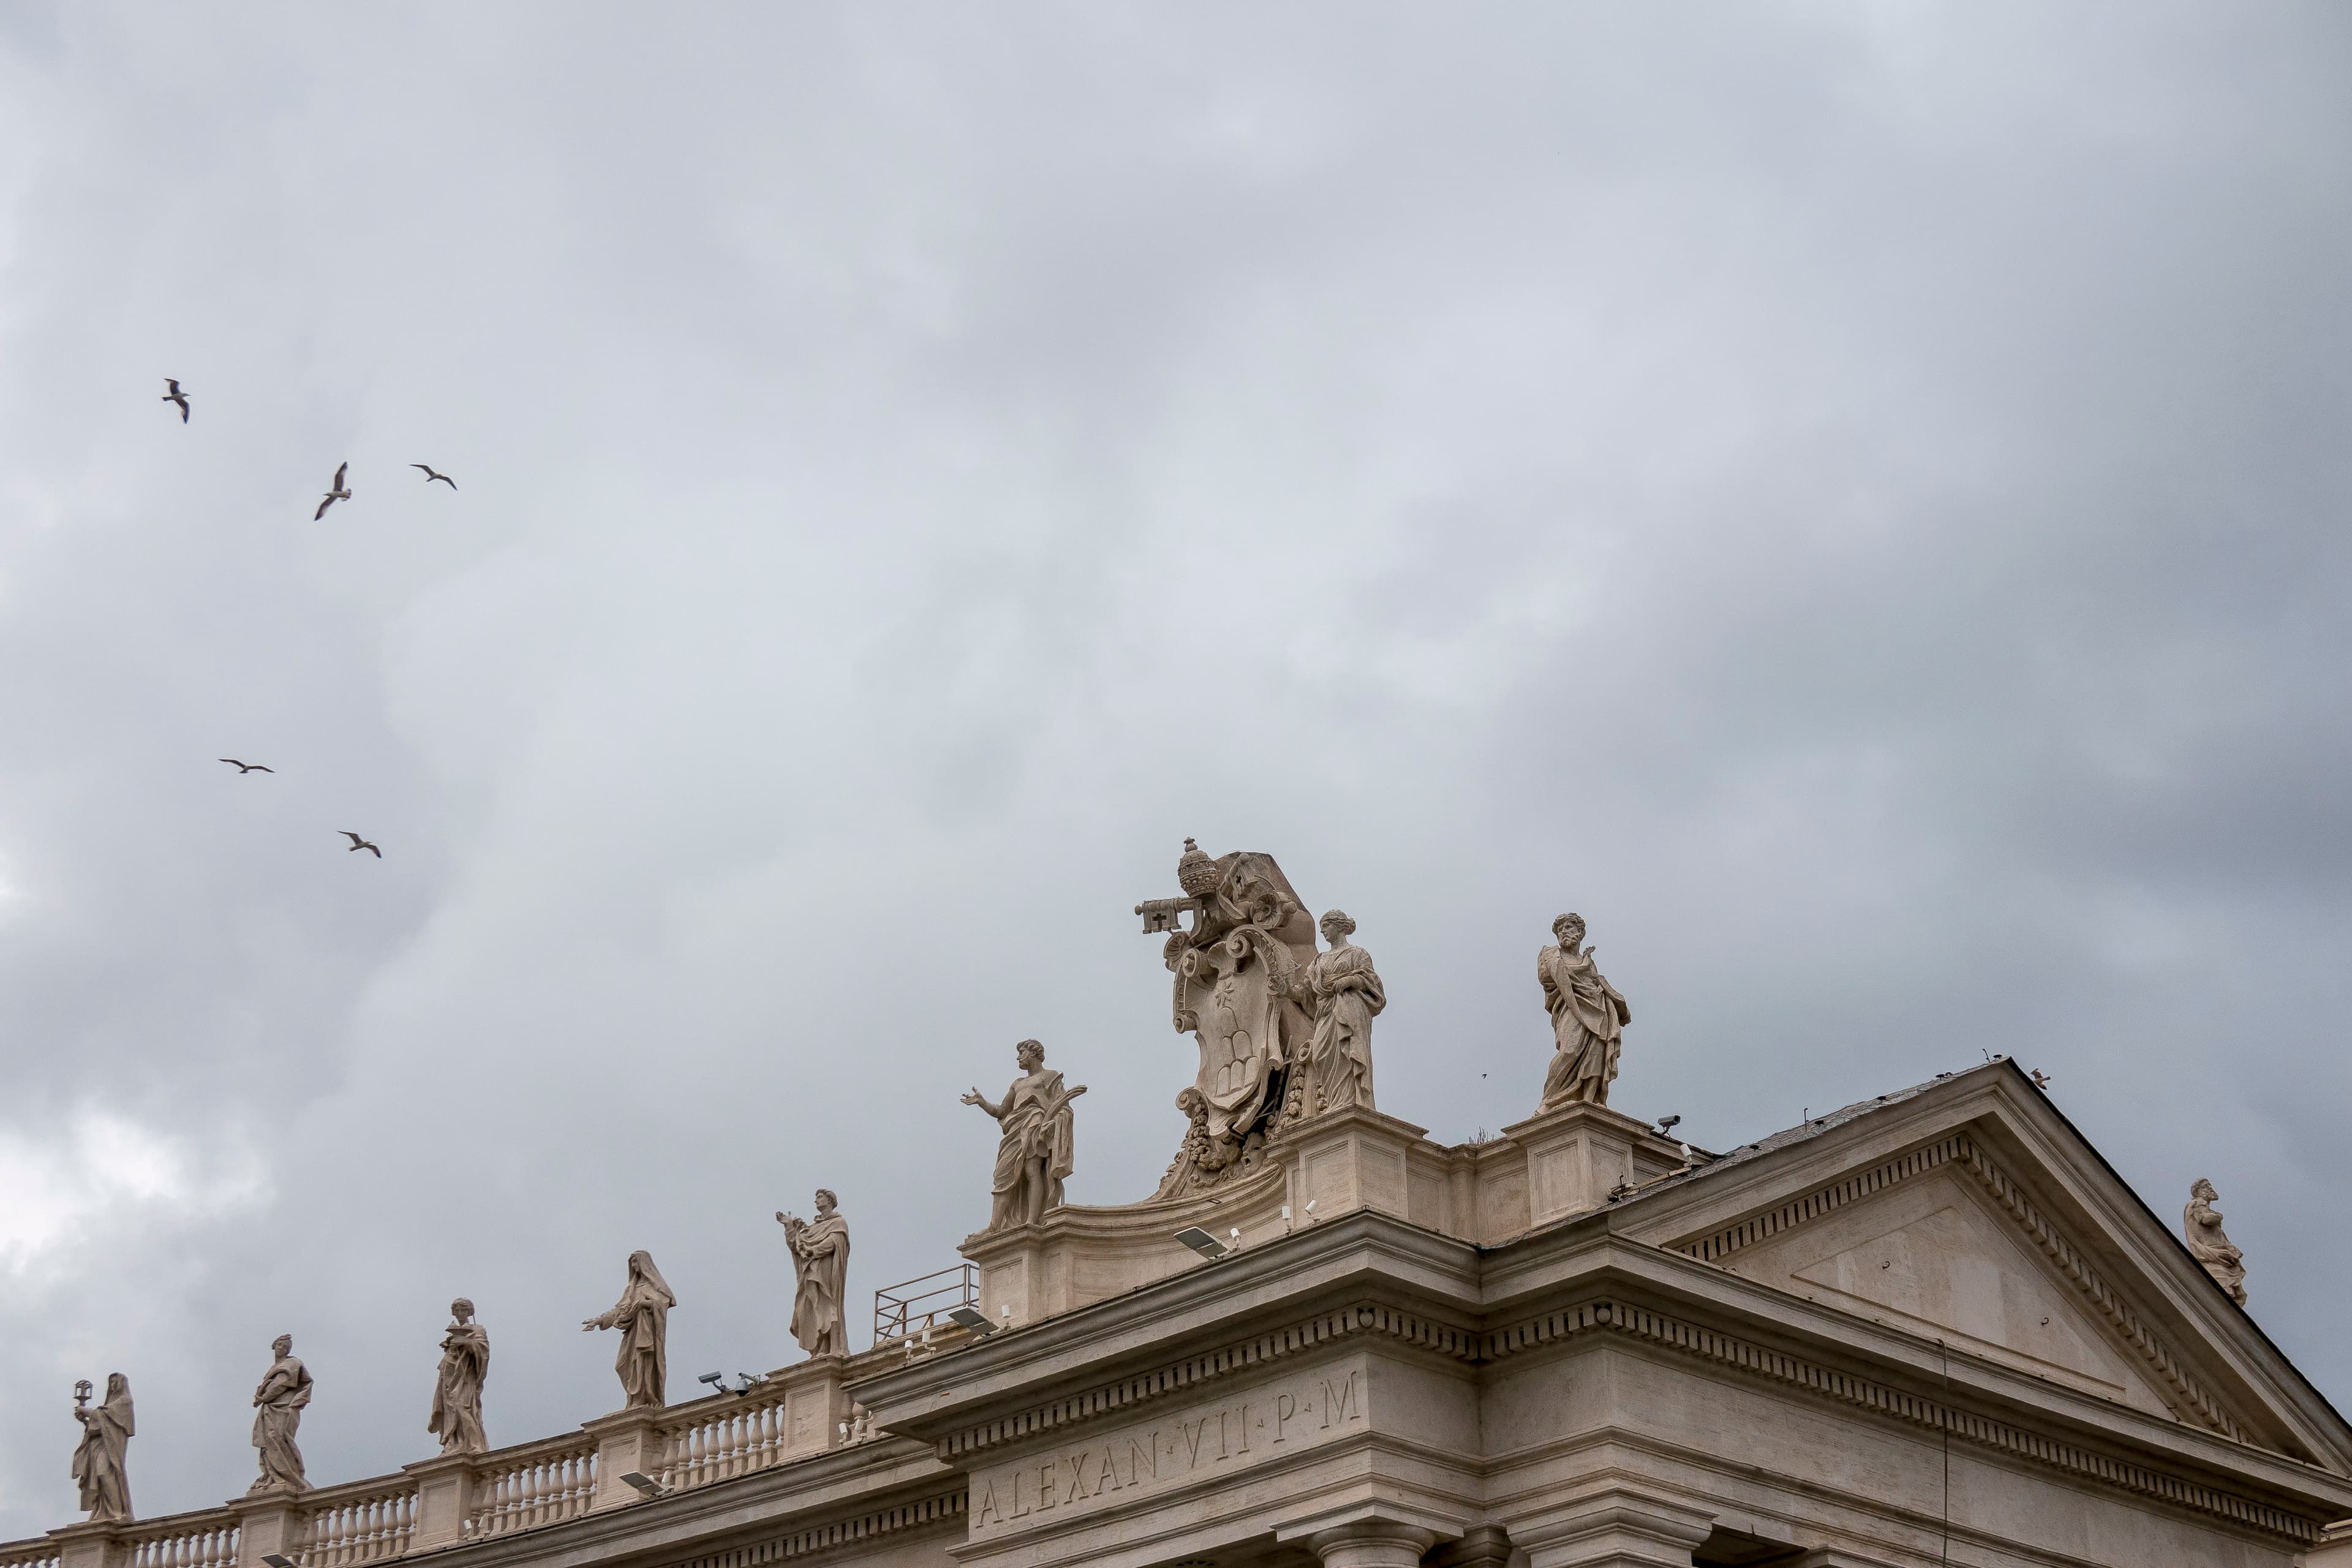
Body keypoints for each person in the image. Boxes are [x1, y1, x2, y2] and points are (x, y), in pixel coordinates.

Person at [963, 1039, 1085, 1231]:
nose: (1019, 1057)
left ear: (1035, 1053)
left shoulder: (1050, 1076)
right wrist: (982, 1102)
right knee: (1002, 1174)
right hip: (1015, 1129)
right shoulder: (1017, 1084)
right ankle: (994, 1225)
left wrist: (1052, 1122)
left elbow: (1063, 1107)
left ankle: (1032, 1220)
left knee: (1032, 1171)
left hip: (1035, 1124)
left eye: (1022, 1052)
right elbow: (1002, 1111)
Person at [1537, 913, 1630, 1109]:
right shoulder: (1551, 953)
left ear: (1580, 932)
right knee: (1569, 1051)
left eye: (1569, 927)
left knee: (1596, 1051)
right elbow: (1557, 976)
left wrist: (1607, 992)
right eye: (1560, 929)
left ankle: (1590, 1099)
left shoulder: (1588, 960)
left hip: (1598, 1008)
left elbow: (1596, 980)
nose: (1564, 932)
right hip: (1570, 1008)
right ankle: (1548, 1102)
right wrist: (1584, 967)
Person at [1302, 910, 1385, 1113]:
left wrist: (1352, 980)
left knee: (1348, 1052)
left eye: (1325, 926)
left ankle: (1350, 1103)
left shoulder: (1357, 954)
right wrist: (1285, 990)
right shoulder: (1318, 961)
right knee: (1320, 1054)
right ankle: (1336, 1102)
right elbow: (1305, 991)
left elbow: (1373, 983)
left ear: (1338, 926)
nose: (1322, 931)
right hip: (1325, 1011)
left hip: (1349, 1008)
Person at [582, 1252, 674, 1409]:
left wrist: (643, 1304)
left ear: (644, 1264)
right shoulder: (631, 1289)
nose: (633, 1266)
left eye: (636, 1262)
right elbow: (620, 1309)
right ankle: (633, 1400)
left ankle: (643, 1400)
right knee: (622, 1365)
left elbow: (663, 1303)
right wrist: (598, 1321)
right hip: (632, 1333)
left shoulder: (656, 1286)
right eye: (631, 1263)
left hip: (646, 1333)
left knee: (642, 1363)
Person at [777, 1189, 851, 1356]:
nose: (816, 1201)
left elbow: (834, 1242)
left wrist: (814, 1251)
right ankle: (821, 1345)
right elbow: (796, 1246)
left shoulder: (839, 1222)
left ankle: (833, 1346)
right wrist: (789, 1226)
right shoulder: (813, 1228)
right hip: (810, 1271)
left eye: (820, 1197)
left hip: (825, 1268)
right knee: (813, 1306)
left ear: (830, 1200)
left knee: (827, 1304)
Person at [248, 1336, 312, 1494]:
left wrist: (263, 1398)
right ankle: (273, 1475)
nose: (280, 1348)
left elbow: (282, 1384)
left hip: (283, 1406)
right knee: (270, 1440)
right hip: (271, 1407)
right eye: (278, 1345)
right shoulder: (273, 1368)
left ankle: (289, 1477)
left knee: (279, 1437)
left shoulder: (292, 1364)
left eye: (283, 1346)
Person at [428, 1298, 490, 1453]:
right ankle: (453, 1443)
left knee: (462, 1407)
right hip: (449, 1374)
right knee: (450, 1409)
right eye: (457, 1310)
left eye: (463, 1310)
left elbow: (483, 1350)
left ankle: (473, 1445)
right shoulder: (454, 1329)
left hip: (465, 1376)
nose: (460, 1313)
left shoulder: (477, 1329)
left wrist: (468, 1343)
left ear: (469, 1311)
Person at [71, 1373, 134, 1523]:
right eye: (111, 1382)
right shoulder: (108, 1406)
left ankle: (117, 1512)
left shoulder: (125, 1401)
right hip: (99, 1446)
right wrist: (86, 1421)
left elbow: (105, 1416)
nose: (113, 1385)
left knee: (105, 1472)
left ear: (122, 1384)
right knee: (99, 1476)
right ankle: (104, 1512)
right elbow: (99, 1426)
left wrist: (85, 1411)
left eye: (116, 1382)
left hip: (111, 1448)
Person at [2184, 1179, 2248, 1304]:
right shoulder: (2198, 1204)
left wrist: (2229, 1247)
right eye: (2206, 1186)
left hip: (2220, 1253)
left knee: (2226, 1290)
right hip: (2213, 1254)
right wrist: (2219, 1217)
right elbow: (2205, 1219)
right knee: (2221, 1290)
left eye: (2210, 1185)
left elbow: (2217, 1233)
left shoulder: (2204, 1207)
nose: (2211, 1188)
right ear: (2199, 1191)